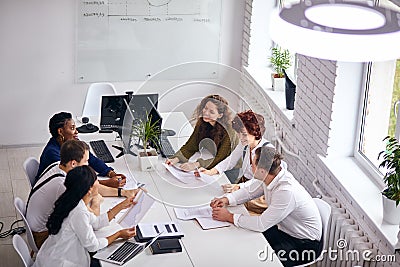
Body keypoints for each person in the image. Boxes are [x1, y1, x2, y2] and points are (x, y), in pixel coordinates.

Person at [210, 146, 322, 266]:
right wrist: (227, 199)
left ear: (262, 170)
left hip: (303, 244)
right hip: (284, 230)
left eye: (253, 164)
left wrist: (229, 216)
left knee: (260, 261)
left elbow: (261, 224)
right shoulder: (271, 175)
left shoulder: (286, 192)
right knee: (245, 241)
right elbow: (249, 191)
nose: (251, 166)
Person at [26, 140, 139, 249]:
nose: (88, 164)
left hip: (45, 227)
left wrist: (123, 193)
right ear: (74, 163)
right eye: (86, 161)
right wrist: (96, 201)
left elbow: (94, 187)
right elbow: (93, 219)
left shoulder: (59, 165)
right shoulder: (63, 186)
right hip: (43, 237)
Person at [33, 165, 137, 267]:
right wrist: (118, 234)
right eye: (96, 181)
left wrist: (121, 206)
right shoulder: (79, 212)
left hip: (53, 255)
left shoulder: (73, 201)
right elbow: (93, 246)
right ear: (89, 190)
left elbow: (96, 222)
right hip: (62, 262)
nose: (98, 183)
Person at [200, 110, 273, 214]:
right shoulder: (245, 143)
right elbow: (230, 160)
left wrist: (239, 187)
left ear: (256, 132)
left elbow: (261, 182)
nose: (240, 137)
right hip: (243, 184)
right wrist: (211, 171)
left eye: (244, 134)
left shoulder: (267, 151)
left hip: (260, 194)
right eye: (238, 133)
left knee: (232, 209)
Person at [35, 111, 126, 188]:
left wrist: (111, 173)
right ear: (60, 131)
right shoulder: (52, 154)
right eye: (72, 128)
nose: (76, 131)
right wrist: (107, 183)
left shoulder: (71, 144)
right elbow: (74, 181)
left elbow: (92, 159)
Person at [166, 95, 238, 171]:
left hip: (230, 169)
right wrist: (176, 158)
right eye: (205, 108)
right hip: (211, 161)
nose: (206, 113)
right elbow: (191, 146)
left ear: (220, 115)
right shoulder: (203, 122)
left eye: (211, 112)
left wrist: (196, 164)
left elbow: (221, 159)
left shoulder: (230, 131)